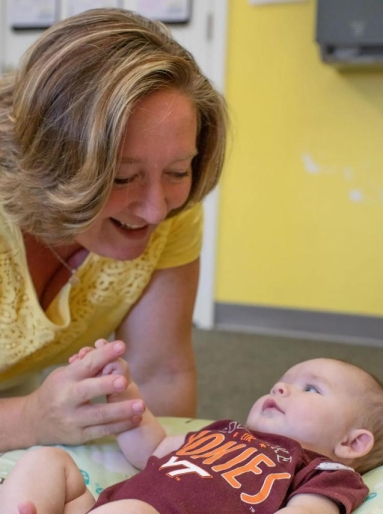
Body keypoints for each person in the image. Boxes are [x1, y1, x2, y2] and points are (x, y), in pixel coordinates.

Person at [0, 340, 383, 514]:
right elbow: (152, 448)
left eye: (311, 390)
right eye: (282, 382)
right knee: (47, 460)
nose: (280, 389)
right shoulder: (225, 431)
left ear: (352, 444)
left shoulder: (322, 470)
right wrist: (120, 390)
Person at [0, 8, 228, 451]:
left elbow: (161, 374)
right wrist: (30, 419)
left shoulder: (168, 208)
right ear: (47, 164)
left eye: (178, 171)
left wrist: (161, 486)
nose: (155, 209)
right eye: (122, 178)